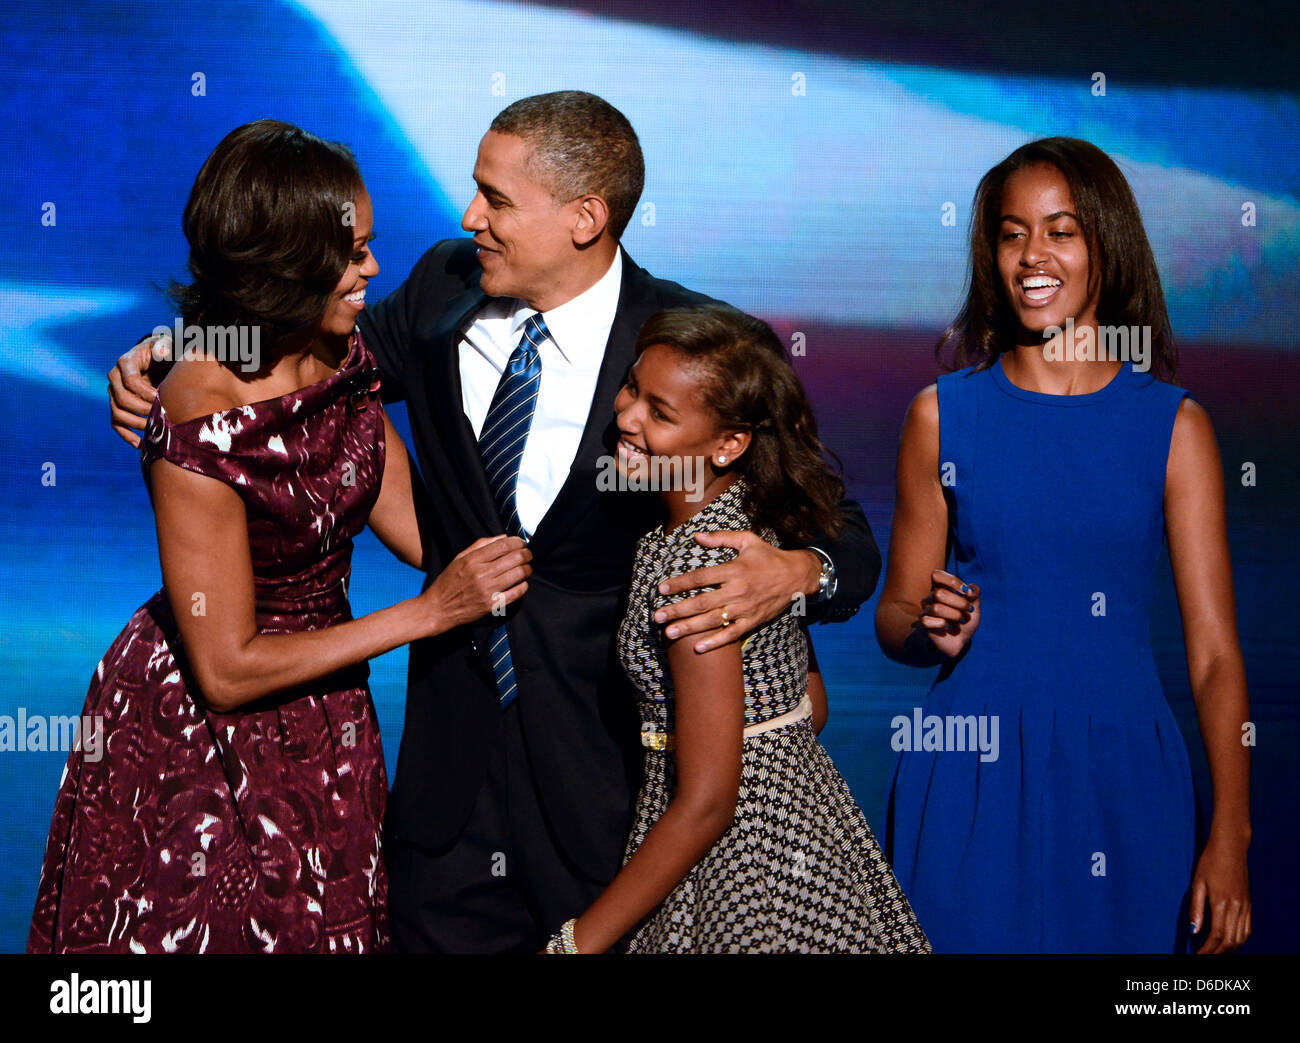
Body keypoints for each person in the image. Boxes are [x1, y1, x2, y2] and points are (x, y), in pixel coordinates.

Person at [108, 91, 882, 953]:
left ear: (585, 217)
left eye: (499, 200)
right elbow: (298, 351)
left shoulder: (688, 351)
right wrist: (177, 351)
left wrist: (800, 569)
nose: (471, 216)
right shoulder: (443, 290)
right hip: (446, 797)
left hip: (607, 791)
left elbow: (844, 529)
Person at [33, 120, 529, 954]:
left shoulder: (343, 360)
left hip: (327, 715)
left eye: (370, 246)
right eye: (352, 254)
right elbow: (225, 671)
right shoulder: (197, 412)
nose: (373, 269)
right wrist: (427, 615)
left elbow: (420, 534)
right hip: (204, 736)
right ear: (285, 267)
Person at [875, 137, 1252, 954]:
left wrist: (1231, 833)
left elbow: (1216, 655)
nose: (1032, 256)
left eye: (1061, 230)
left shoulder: (1174, 427)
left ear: (1105, 245)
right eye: (1012, 234)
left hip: (1124, 778)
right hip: (967, 771)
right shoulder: (940, 416)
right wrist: (929, 627)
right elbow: (895, 617)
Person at [540, 307, 930, 953]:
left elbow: (708, 802)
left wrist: (574, 943)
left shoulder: (694, 565)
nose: (629, 417)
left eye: (661, 413)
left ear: (728, 443)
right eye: (633, 387)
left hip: (744, 872)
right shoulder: (751, 531)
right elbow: (812, 708)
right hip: (809, 838)